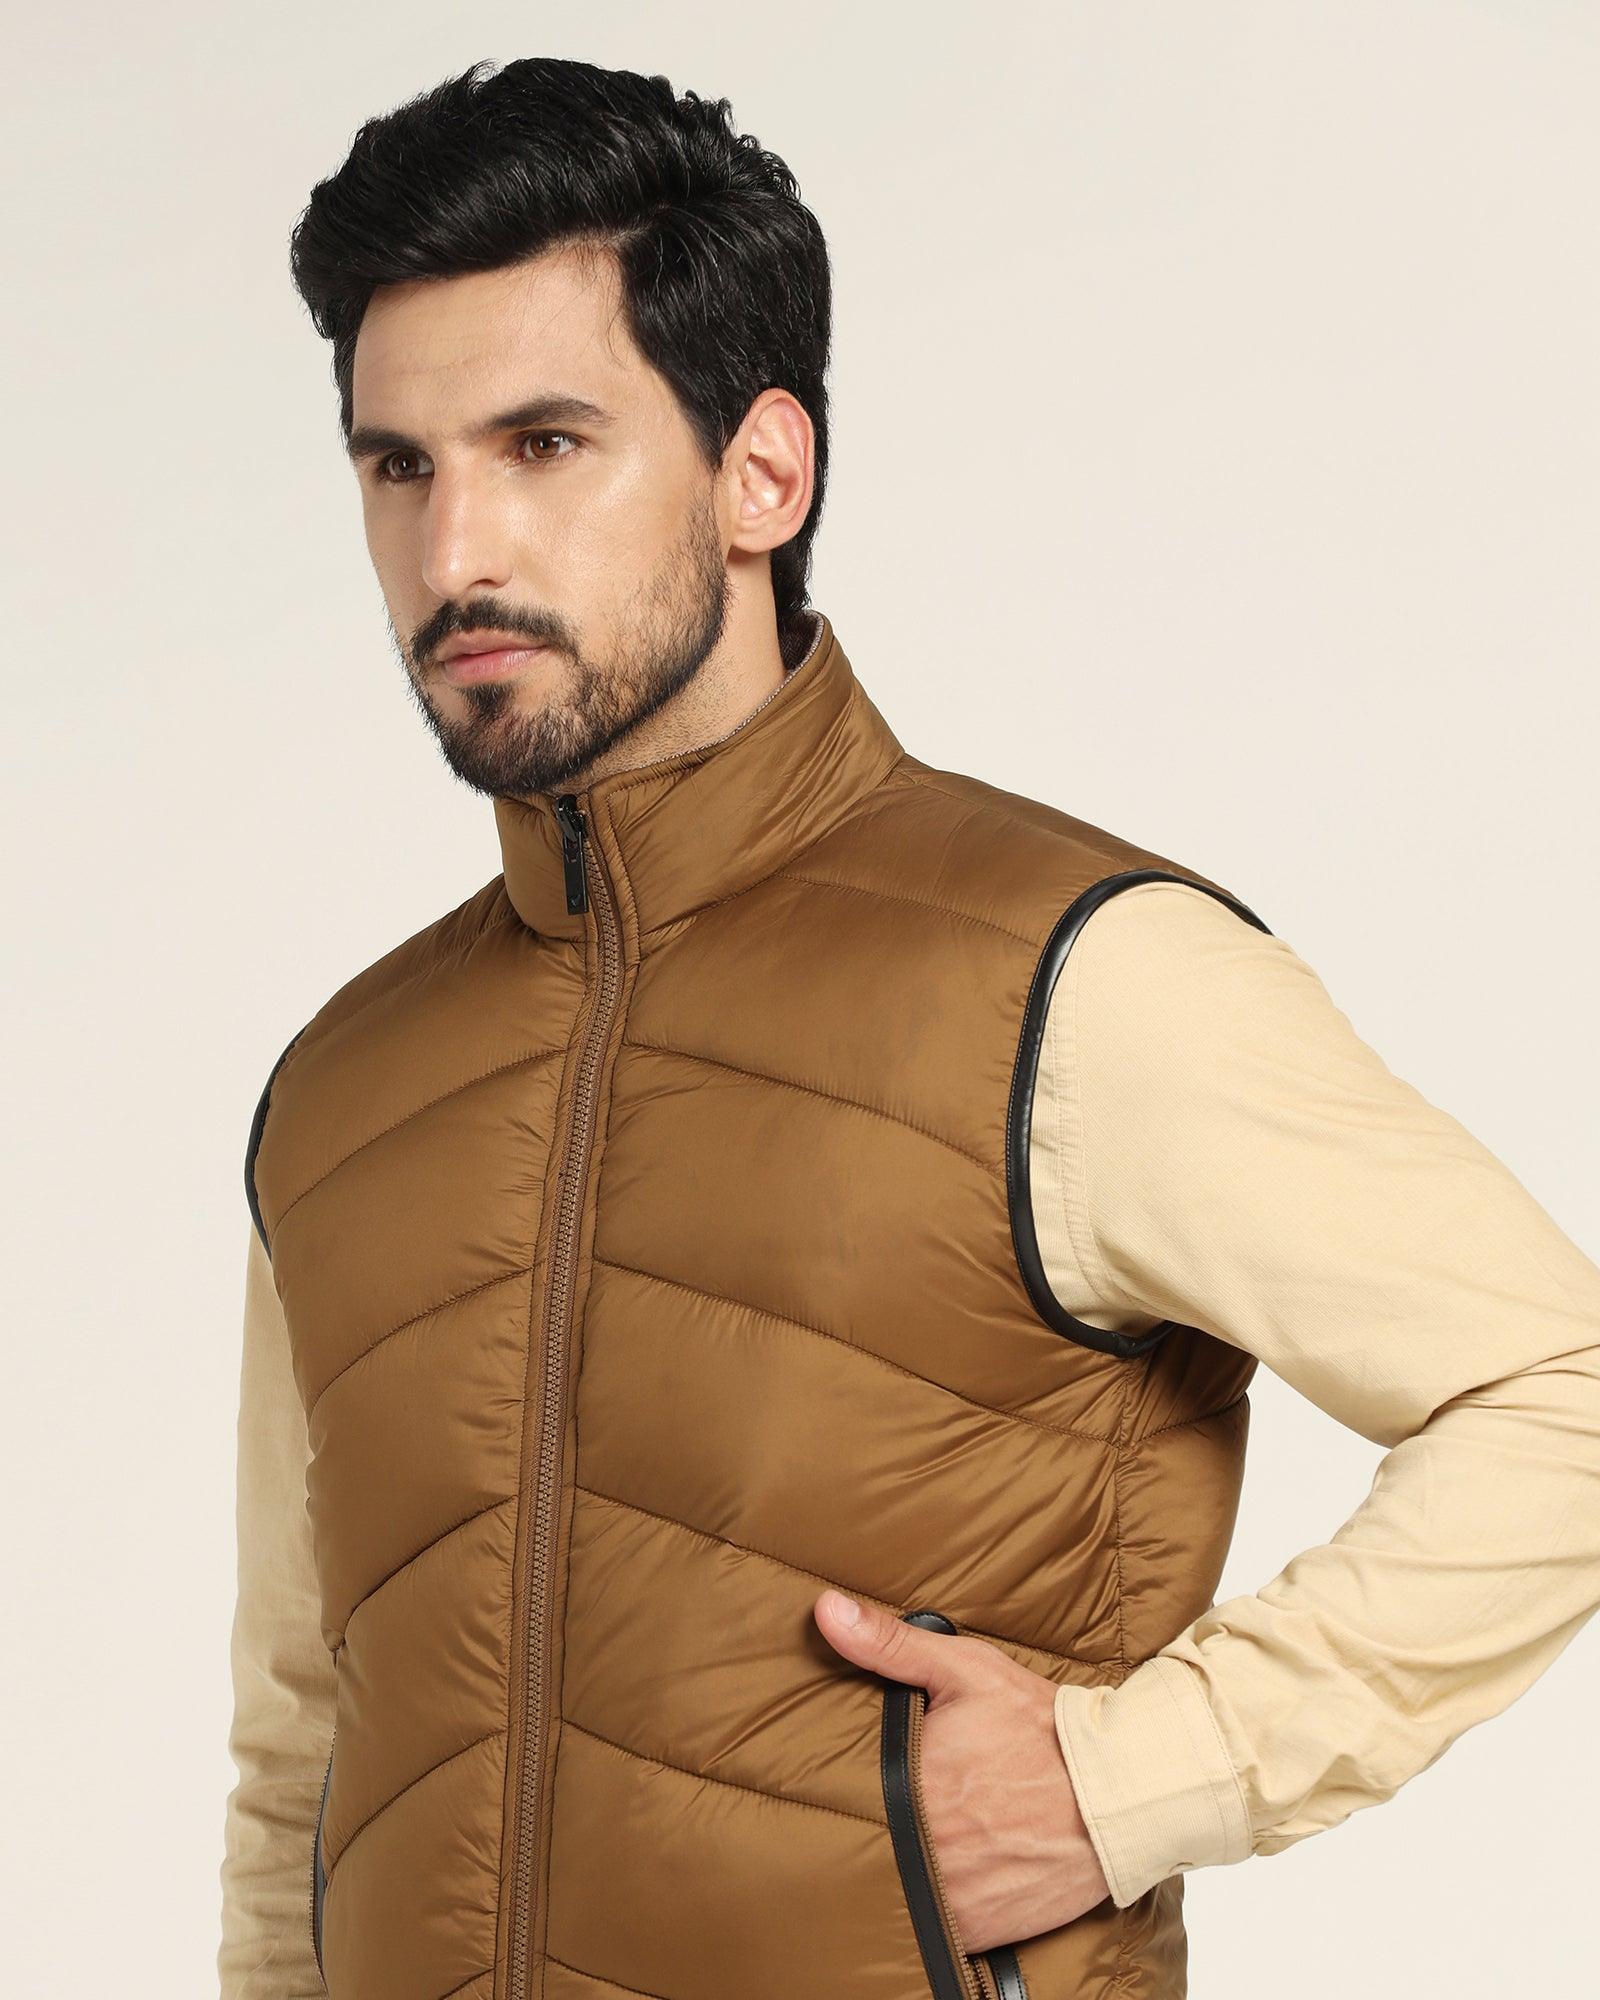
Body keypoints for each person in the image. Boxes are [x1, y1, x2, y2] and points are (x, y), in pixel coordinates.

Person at [218, 55, 1600, 2000]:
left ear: (760, 473)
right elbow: (306, 1743)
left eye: (543, 444)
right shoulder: (347, 1089)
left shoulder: (1067, 974)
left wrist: (1126, 1786)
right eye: (399, 467)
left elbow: (1559, 1393)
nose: (455, 558)